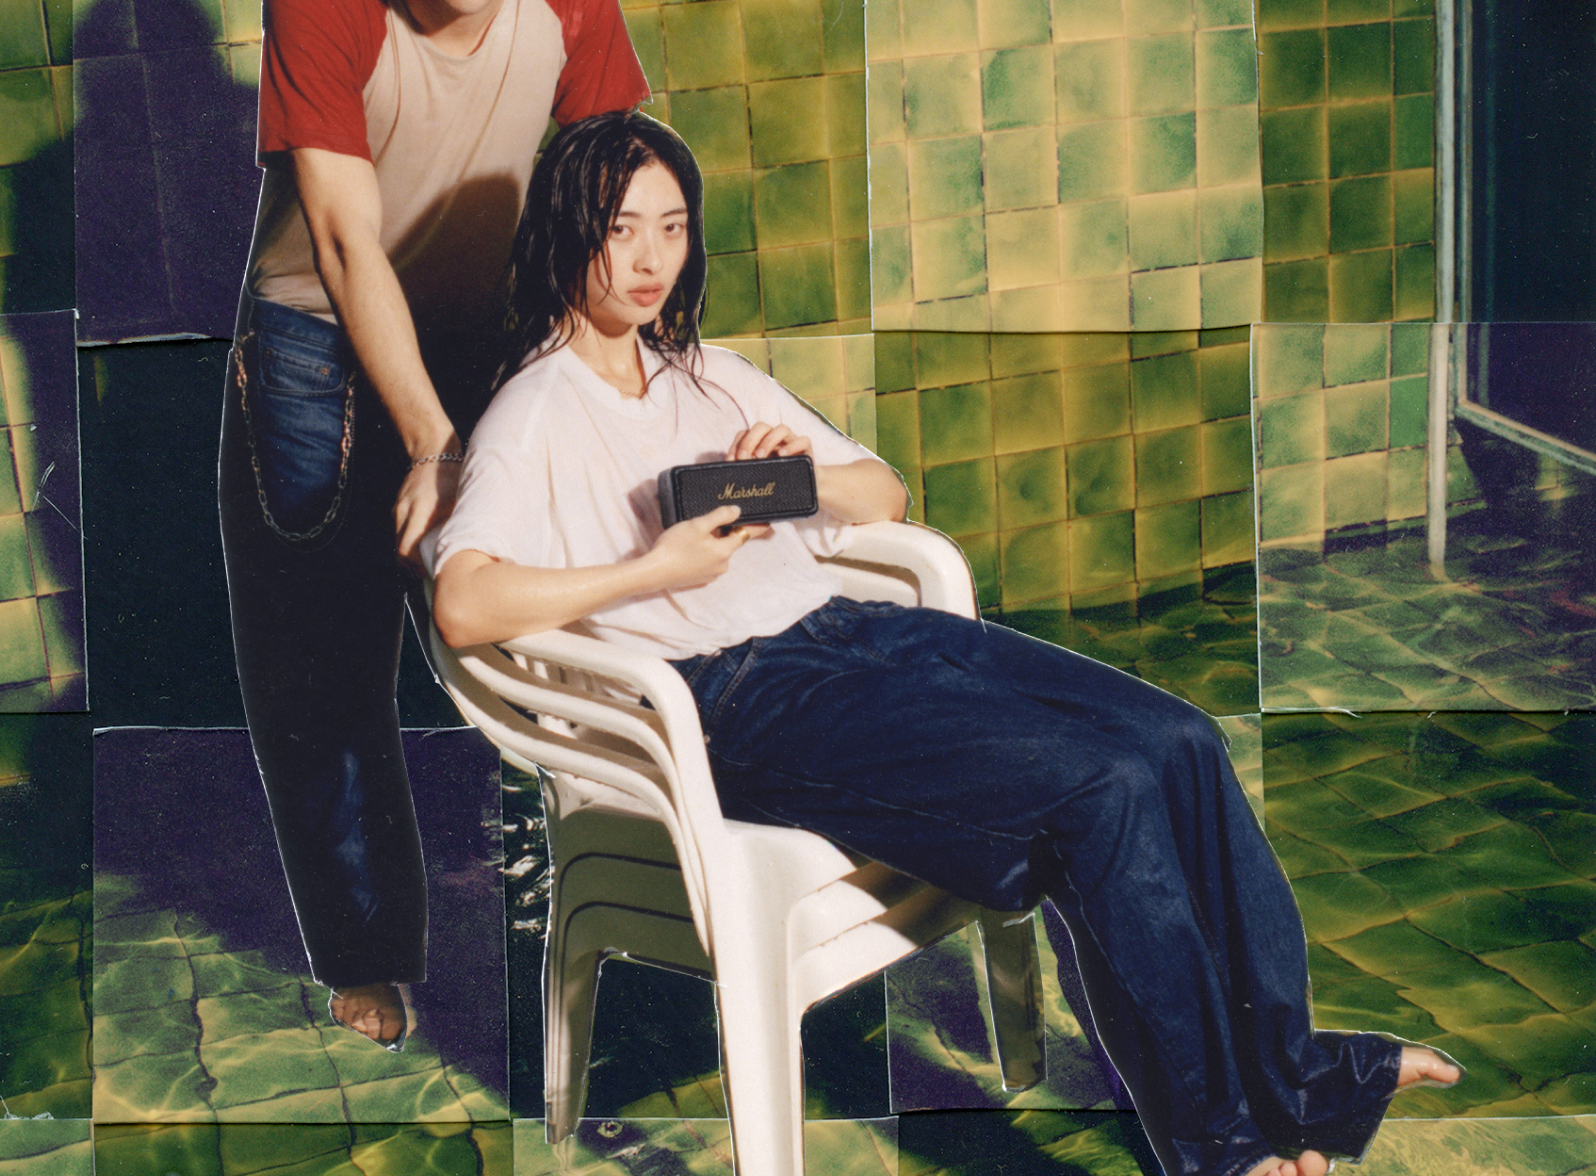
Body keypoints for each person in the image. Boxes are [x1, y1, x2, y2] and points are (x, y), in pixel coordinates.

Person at [428, 111, 1462, 1176]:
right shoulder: (536, 409)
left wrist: (798, 481)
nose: (651, 260)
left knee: (1182, 738)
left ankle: (1299, 1081)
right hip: (746, 700)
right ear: (568, 233)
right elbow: (463, 603)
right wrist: (656, 572)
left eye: (673, 227)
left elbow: (883, 491)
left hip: (862, 637)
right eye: (621, 229)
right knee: (1101, 792)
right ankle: (1222, 1150)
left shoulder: (710, 374)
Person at [220, 0, 649, 1048]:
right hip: (320, 350)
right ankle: (367, 950)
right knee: (322, 658)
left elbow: (604, 207)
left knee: (568, 625)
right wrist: (434, 442)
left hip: (498, 334)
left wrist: (609, 401)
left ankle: (598, 909)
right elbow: (349, 246)